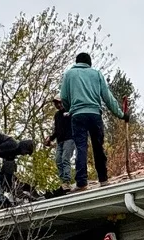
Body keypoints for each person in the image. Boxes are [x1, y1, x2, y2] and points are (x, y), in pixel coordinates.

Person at [59, 52, 126, 188]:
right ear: (89, 63)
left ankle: (82, 182)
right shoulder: (96, 74)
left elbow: (64, 97)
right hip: (95, 114)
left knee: (81, 148)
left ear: (76, 62)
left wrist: (70, 108)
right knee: (98, 147)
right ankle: (103, 179)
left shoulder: (69, 75)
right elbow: (108, 97)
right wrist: (121, 114)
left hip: (77, 115)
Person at [50, 98, 74, 189]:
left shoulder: (69, 111)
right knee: (58, 160)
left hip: (69, 139)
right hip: (60, 141)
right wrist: (51, 138)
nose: (58, 105)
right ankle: (63, 181)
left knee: (65, 159)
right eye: (56, 104)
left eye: (59, 103)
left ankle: (67, 180)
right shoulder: (57, 115)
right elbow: (56, 130)